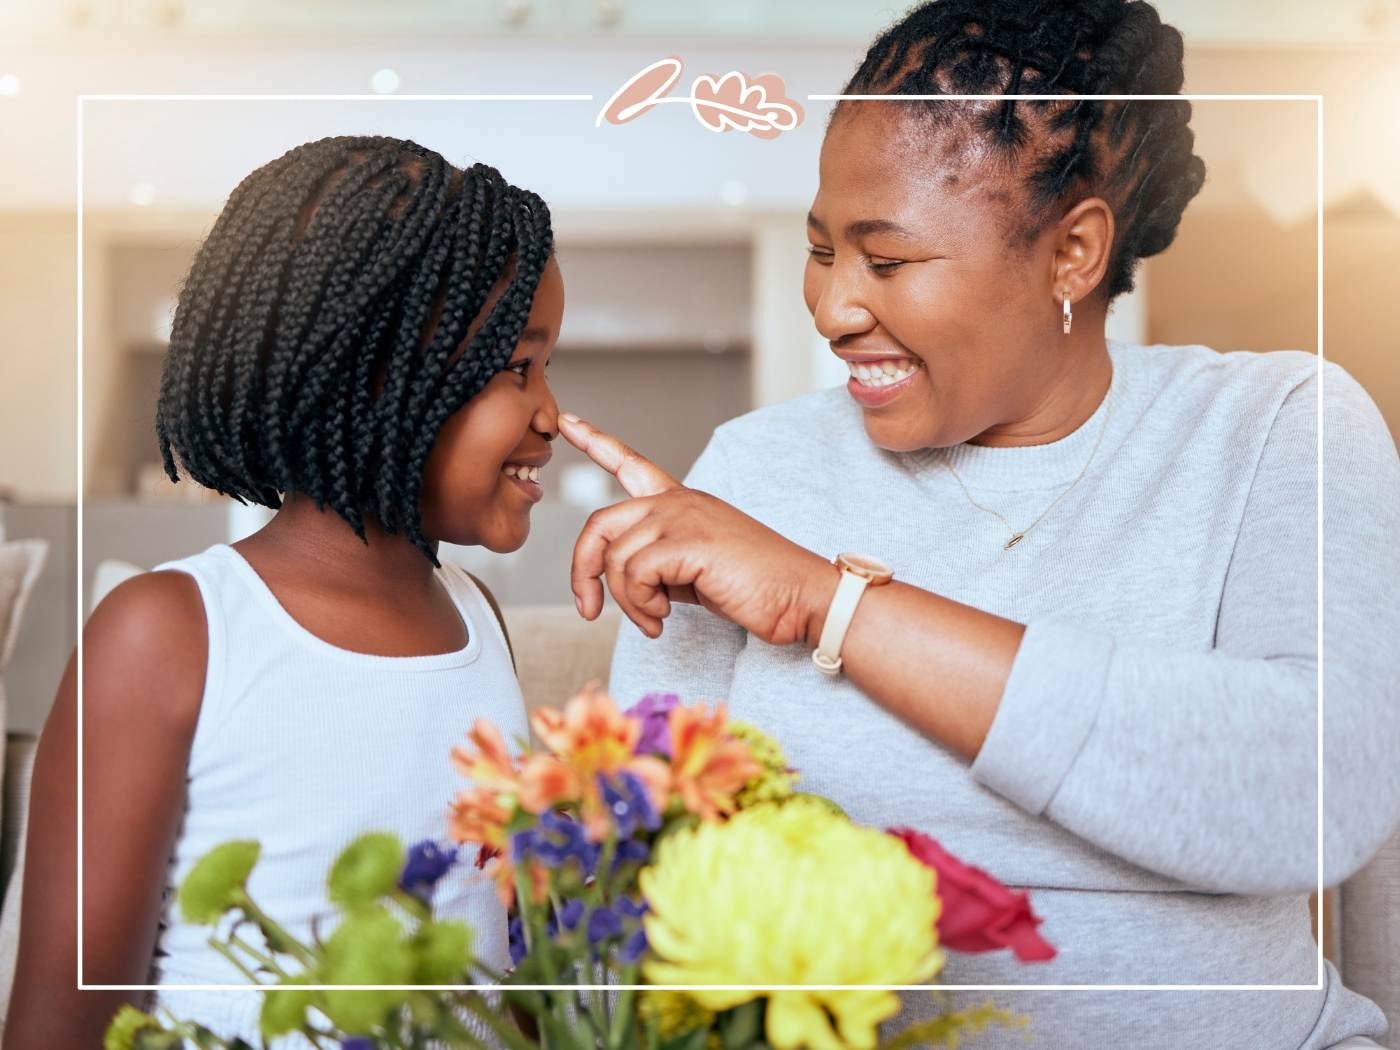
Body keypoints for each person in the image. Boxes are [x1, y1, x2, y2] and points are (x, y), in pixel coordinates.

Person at [559, 2, 1400, 1047]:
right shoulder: (755, 472)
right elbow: (642, 868)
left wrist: (829, 603)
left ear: (1072, 253)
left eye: (887, 260)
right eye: (822, 249)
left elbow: (1311, 794)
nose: (831, 308)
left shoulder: (1276, 426)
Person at [5, 136, 564, 1047]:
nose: (553, 414)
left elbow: (504, 958)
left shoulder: (477, 618)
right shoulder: (169, 632)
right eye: (517, 368)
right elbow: (58, 1026)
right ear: (376, 374)